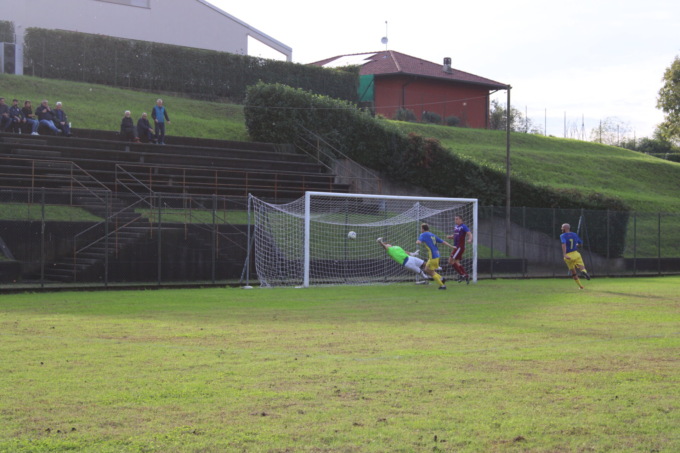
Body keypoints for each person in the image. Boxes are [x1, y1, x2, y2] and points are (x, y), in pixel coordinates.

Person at [377, 237, 444, 289]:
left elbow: (405, 252)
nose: (387, 245)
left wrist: (413, 253)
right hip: (406, 263)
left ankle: (436, 267)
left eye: (387, 244)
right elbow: (383, 246)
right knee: (421, 273)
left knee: (425, 263)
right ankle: (430, 279)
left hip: (410, 258)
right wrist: (380, 242)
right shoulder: (389, 250)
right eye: (386, 245)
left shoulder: (396, 247)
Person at [416, 223, 453, 290]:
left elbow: (419, 242)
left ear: (423, 229)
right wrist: (451, 246)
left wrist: (418, 241)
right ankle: (441, 278)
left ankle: (442, 286)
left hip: (432, 256)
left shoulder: (423, 234)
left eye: (421, 228)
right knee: (426, 269)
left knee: (431, 272)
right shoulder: (432, 235)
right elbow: (443, 242)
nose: (421, 229)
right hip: (437, 255)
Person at [560, 223, 591, 289]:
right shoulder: (574, 234)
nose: (561, 228)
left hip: (569, 256)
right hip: (576, 254)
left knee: (573, 273)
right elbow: (580, 243)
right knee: (582, 268)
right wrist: (576, 245)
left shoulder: (562, 235)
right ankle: (584, 272)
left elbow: (563, 244)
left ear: (565, 228)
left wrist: (564, 254)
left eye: (562, 227)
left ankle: (580, 286)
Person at [447, 215, 473, 284]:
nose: (455, 220)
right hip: (456, 247)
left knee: (450, 260)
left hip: (459, 247)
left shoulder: (463, 226)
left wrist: (470, 239)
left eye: (457, 219)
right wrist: (451, 237)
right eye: (455, 219)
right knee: (456, 262)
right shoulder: (456, 227)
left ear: (461, 220)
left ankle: (462, 275)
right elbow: (456, 235)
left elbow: (469, 234)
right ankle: (466, 276)